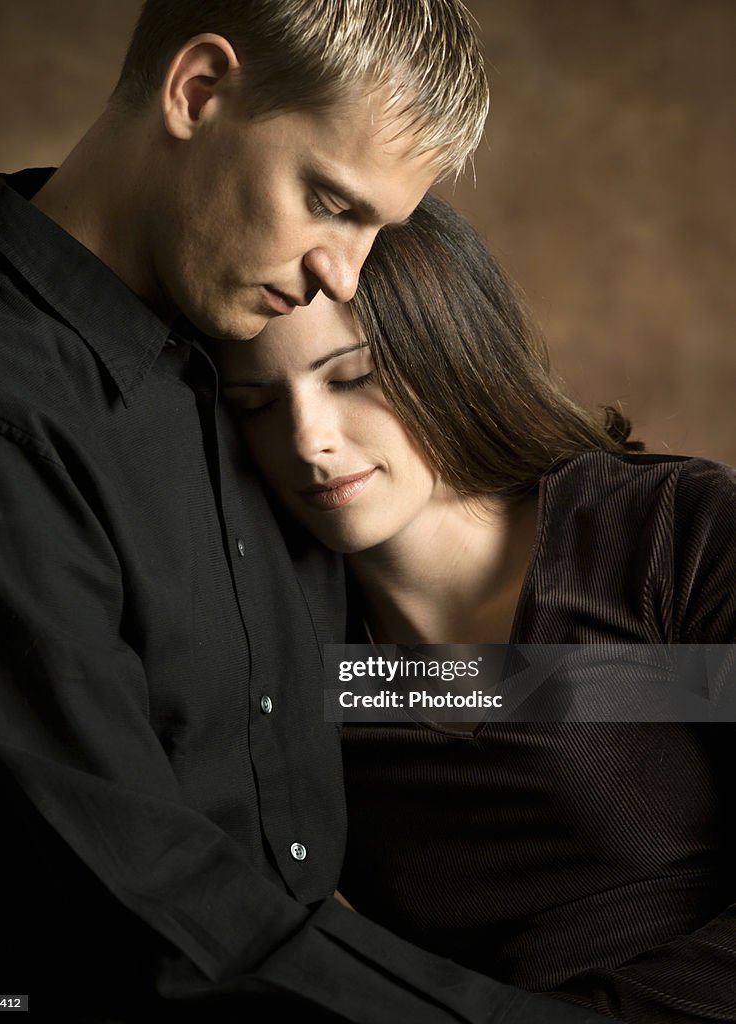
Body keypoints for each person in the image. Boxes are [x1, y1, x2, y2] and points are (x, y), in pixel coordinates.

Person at [0, 2, 620, 1022]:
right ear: (198, 91)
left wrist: (686, 683)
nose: (342, 276)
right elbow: (146, 907)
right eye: (330, 201)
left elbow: (379, 681)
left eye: (376, 231)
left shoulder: (249, 356)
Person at [214, 192, 736, 1022]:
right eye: (256, 406)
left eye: (352, 378)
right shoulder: (303, 665)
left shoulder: (669, 532)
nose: (308, 439)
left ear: (446, 352)